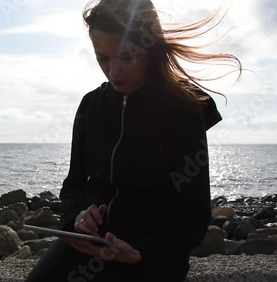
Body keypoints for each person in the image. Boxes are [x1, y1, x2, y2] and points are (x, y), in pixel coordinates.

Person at [25, 0, 242, 281]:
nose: (113, 71)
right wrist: (77, 219)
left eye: (126, 57)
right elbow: (74, 186)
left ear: (150, 49)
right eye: (102, 57)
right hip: (92, 243)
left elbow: (193, 213)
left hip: (152, 253)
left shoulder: (184, 107)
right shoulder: (90, 105)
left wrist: (143, 253)